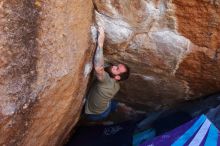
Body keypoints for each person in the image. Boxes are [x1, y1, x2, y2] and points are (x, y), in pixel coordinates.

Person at [84, 26, 130, 121]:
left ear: (117, 77)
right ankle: (118, 105)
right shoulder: (117, 85)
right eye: (116, 65)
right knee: (109, 103)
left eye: (116, 69)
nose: (113, 66)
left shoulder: (106, 81)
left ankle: (116, 109)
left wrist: (100, 43)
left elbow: (98, 68)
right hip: (106, 106)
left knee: (90, 116)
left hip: (97, 114)